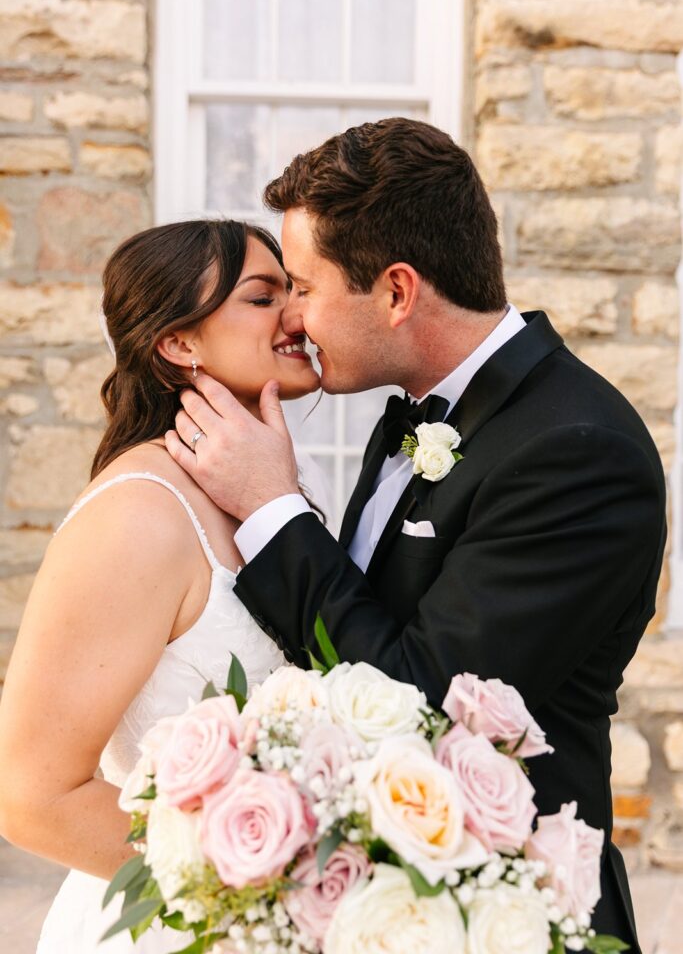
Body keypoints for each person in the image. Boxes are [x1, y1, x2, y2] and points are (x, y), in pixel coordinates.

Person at [166, 118, 667, 953]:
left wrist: (271, 508)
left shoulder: (579, 454)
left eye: (303, 285)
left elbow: (421, 701)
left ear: (396, 292)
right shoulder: (410, 411)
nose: (290, 317)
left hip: (511, 912)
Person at [0, 219, 327, 953]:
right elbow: (32, 797)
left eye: (293, 290)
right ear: (178, 344)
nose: (297, 315)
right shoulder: (139, 515)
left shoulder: (277, 492)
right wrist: (261, 887)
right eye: (262, 296)